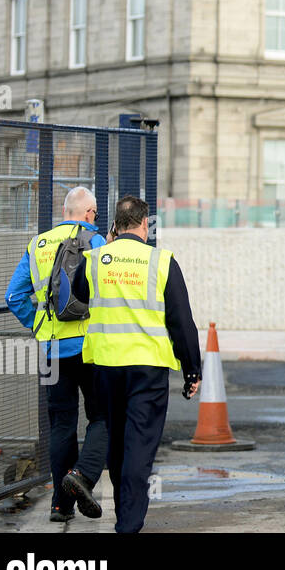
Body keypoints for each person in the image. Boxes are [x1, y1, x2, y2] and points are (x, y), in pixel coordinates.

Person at [69, 194, 202, 534]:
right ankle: (128, 523)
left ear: (114, 225)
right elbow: (182, 322)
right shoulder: (161, 262)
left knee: (116, 444)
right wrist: (191, 371)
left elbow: (79, 293)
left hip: (105, 367)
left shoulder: (96, 260)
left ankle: (124, 515)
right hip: (147, 369)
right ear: (145, 224)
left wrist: (109, 249)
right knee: (139, 446)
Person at [4, 186, 109, 523]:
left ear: (65, 211)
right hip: (89, 348)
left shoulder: (38, 245)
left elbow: (14, 296)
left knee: (62, 424)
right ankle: (81, 475)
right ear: (89, 212)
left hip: (51, 350)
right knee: (101, 416)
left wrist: (39, 326)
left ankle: (59, 506)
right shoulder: (94, 241)